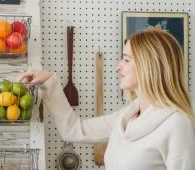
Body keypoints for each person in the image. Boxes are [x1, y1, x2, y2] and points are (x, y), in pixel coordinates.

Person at [17, 29, 195, 170]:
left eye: (126, 60)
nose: (118, 66)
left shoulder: (176, 125)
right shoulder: (127, 116)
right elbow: (73, 130)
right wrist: (50, 82)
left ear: (149, 65)